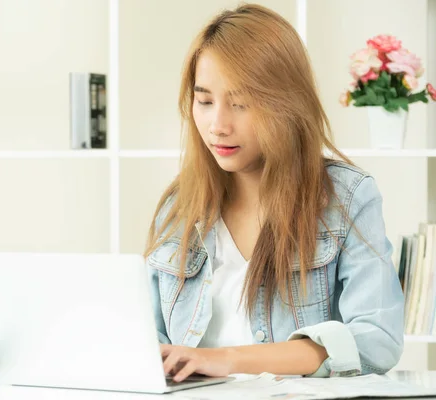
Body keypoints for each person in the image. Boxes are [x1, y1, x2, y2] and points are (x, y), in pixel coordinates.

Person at [144, 3, 404, 382]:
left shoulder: (346, 198)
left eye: (240, 103)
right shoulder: (178, 206)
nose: (218, 125)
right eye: (204, 101)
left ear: (286, 103)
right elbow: (147, 338)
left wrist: (225, 359)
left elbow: (376, 341)